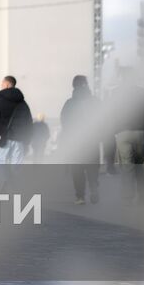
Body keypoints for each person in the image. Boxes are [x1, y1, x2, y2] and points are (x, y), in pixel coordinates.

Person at [113, 77, 144, 204]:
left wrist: (116, 130)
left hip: (123, 134)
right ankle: (142, 196)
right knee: (140, 166)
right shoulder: (143, 93)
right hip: (140, 133)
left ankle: (128, 197)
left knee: (127, 166)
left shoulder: (116, 93)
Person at [59, 75, 101, 205]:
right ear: (86, 85)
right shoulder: (95, 101)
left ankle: (80, 196)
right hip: (92, 139)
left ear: (73, 86)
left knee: (77, 169)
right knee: (92, 166)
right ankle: (94, 187)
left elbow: (64, 122)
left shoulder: (69, 103)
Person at [0, 76, 33, 166]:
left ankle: (4, 180)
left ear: (7, 84)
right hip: (19, 139)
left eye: (2, 83)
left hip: (3, 138)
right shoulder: (23, 103)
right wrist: (27, 140)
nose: (1, 85)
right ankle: (14, 180)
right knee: (17, 165)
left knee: (0, 163)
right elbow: (28, 122)